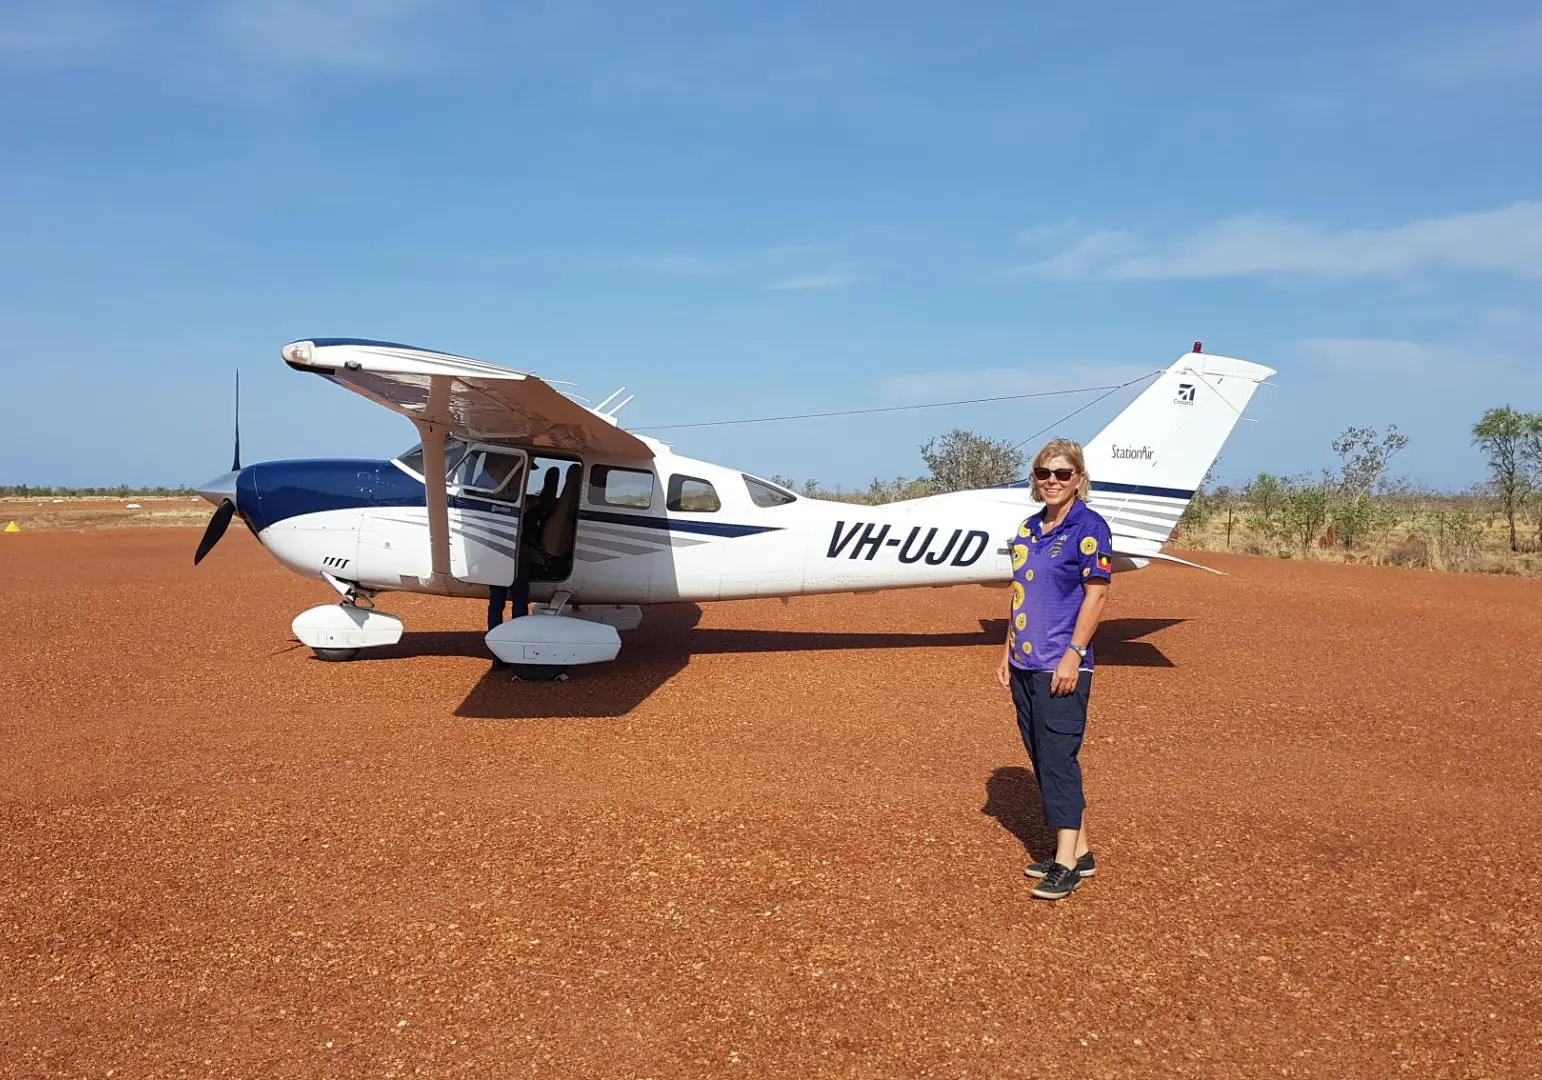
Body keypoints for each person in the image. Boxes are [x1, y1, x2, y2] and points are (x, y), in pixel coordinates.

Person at [996, 437, 1113, 901]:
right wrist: (1005, 649)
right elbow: (1018, 592)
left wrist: (1074, 653)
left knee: (1059, 758)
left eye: (1063, 473)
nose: (1052, 481)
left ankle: (1064, 863)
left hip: (1061, 665)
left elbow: (1098, 593)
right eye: (1044, 473)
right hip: (1025, 660)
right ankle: (1080, 851)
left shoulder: (1091, 529)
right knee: (1042, 756)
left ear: (1079, 479)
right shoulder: (1028, 529)